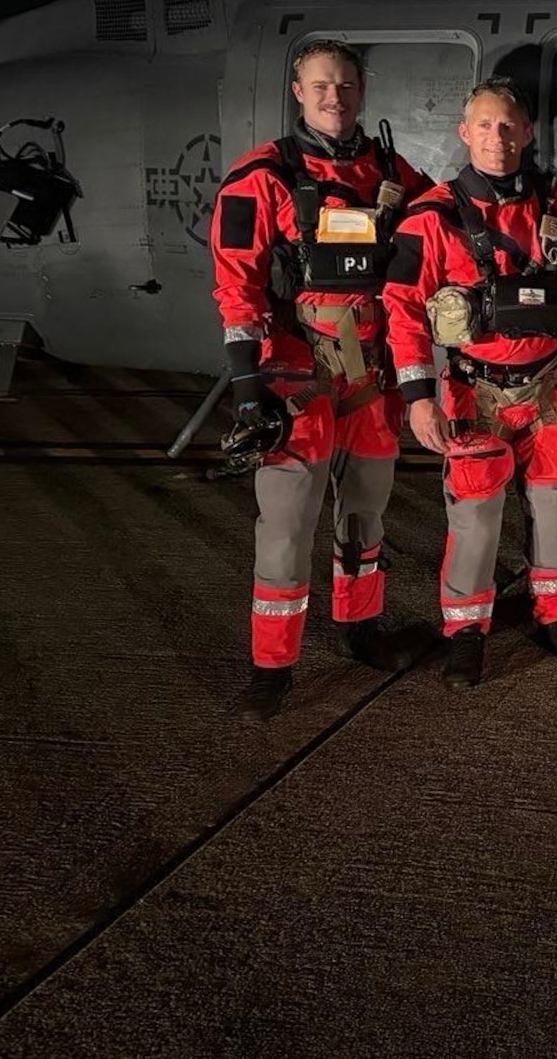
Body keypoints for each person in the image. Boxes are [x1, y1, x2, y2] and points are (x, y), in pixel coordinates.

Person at [209, 38, 432, 722]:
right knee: (285, 528)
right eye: (321, 85)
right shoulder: (260, 177)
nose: (335, 97)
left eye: (346, 85)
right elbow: (236, 284)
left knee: (365, 513)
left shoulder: (393, 173)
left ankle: (361, 628)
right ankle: (272, 666)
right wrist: (247, 387)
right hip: (295, 380)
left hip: (371, 380)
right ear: (298, 92)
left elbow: (441, 225)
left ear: (362, 91)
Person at [382, 80, 557, 689]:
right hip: (475, 390)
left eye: (509, 126)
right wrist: (418, 397)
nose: (498, 138)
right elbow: (403, 310)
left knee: (553, 508)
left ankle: (556, 615)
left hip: (550, 388)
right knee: (474, 518)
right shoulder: (430, 218)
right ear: (464, 133)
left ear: (526, 133)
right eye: (485, 126)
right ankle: (465, 631)